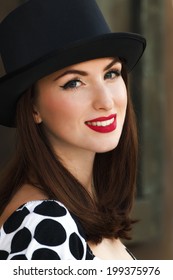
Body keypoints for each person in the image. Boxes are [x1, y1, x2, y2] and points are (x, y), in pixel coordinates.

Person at [0, 0, 146, 260]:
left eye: (111, 74)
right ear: (33, 108)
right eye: (74, 82)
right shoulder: (41, 225)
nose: (105, 101)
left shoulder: (85, 209)